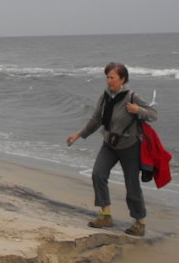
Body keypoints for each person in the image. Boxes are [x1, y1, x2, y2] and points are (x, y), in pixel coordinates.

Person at [66, 62, 157, 237]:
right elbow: (95, 120)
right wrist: (78, 135)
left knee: (132, 185)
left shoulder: (132, 96)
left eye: (112, 77)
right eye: (107, 77)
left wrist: (138, 110)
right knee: (98, 174)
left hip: (130, 146)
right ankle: (106, 215)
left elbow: (153, 114)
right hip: (109, 144)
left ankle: (139, 222)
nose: (109, 81)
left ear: (122, 79)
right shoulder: (105, 96)